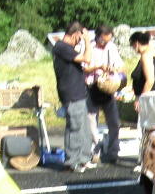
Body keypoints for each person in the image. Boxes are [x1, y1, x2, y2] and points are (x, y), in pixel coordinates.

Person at [53, 21, 94, 173]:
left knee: (83, 128)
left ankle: (83, 159)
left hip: (78, 93)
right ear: (76, 35)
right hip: (71, 94)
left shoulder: (66, 48)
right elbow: (86, 59)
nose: (81, 40)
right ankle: (71, 162)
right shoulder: (62, 47)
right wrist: (88, 42)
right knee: (75, 128)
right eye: (80, 37)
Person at [83, 25, 124, 164]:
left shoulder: (111, 47)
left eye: (108, 40)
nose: (106, 43)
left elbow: (121, 65)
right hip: (92, 86)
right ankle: (95, 151)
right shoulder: (89, 47)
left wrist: (113, 69)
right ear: (98, 36)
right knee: (91, 121)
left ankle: (113, 151)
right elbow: (85, 67)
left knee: (113, 121)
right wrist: (99, 67)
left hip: (108, 87)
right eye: (104, 40)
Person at [129, 31, 155, 113]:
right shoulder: (154, 52)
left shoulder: (146, 55)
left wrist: (141, 99)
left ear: (136, 43)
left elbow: (150, 80)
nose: (134, 49)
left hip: (150, 96)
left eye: (132, 46)